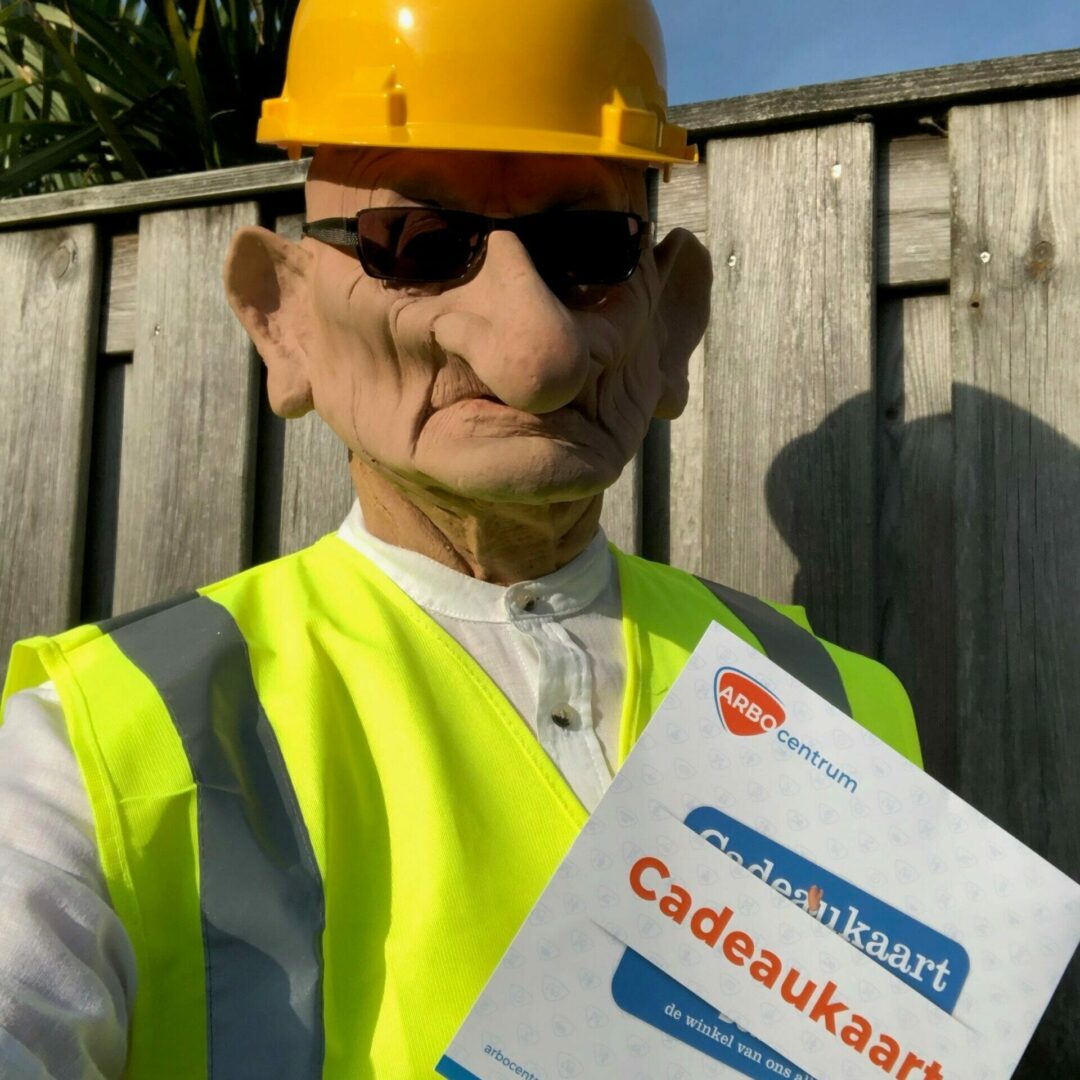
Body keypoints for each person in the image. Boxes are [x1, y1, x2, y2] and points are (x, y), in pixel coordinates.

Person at [0, 1, 922, 1077]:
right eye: (419, 245)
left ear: (670, 321)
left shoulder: (841, 706)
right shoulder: (98, 742)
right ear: (283, 318)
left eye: (590, 248)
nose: (534, 352)